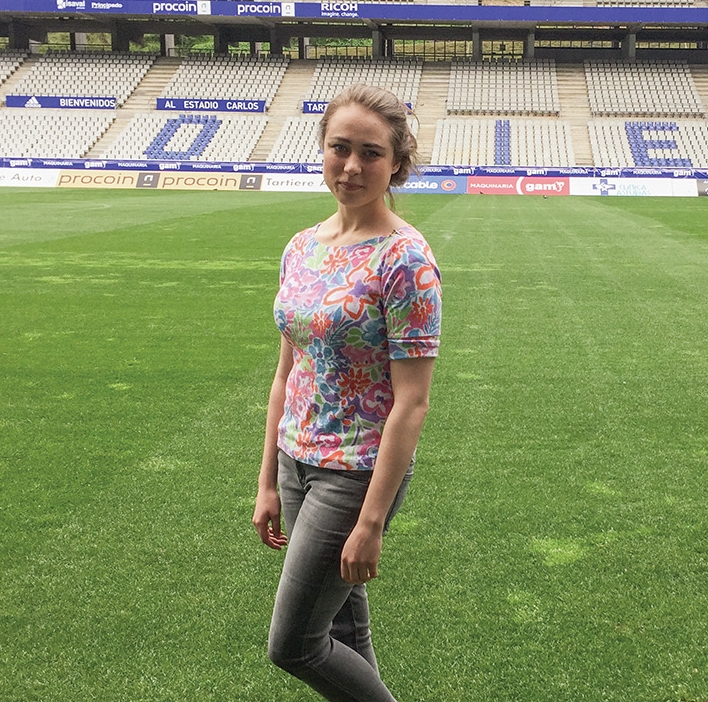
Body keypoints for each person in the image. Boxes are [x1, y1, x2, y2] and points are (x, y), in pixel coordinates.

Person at [253, 83, 441, 702]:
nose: (352, 166)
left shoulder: (405, 259)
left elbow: (411, 401)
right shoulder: (302, 247)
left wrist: (372, 522)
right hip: (296, 458)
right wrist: (268, 481)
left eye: (371, 153)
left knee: (295, 644)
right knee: (343, 628)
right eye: (340, 148)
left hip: (354, 471)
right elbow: (287, 370)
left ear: (396, 164)